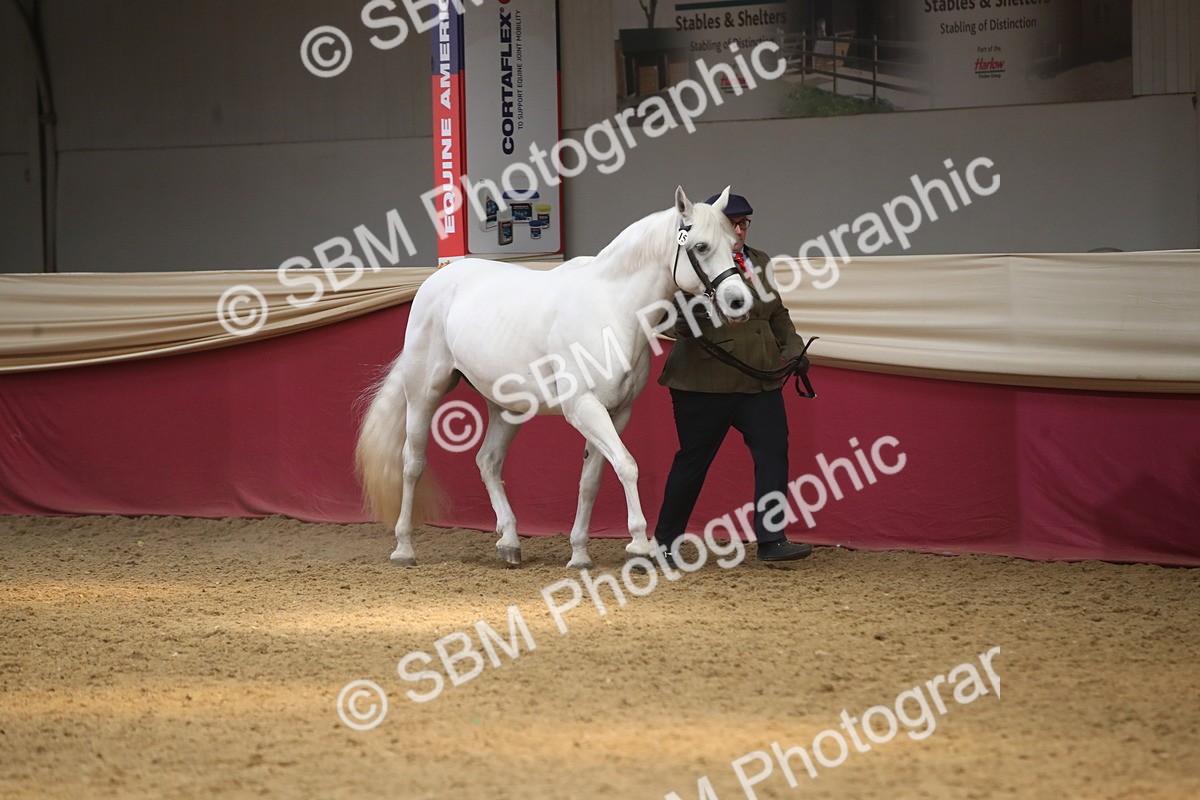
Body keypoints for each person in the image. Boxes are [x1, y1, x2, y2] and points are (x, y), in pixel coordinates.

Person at [653, 192, 814, 563]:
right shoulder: (692, 259)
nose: (740, 229)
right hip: (703, 384)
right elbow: (662, 319)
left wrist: (794, 349)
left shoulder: (760, 261)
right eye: (733, 224)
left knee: (773, 454)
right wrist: (684, 321)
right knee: (692, 463)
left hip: (758, 381)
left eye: (745, 224)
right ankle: (664, 545)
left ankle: (771, 539)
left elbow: (777, 314)